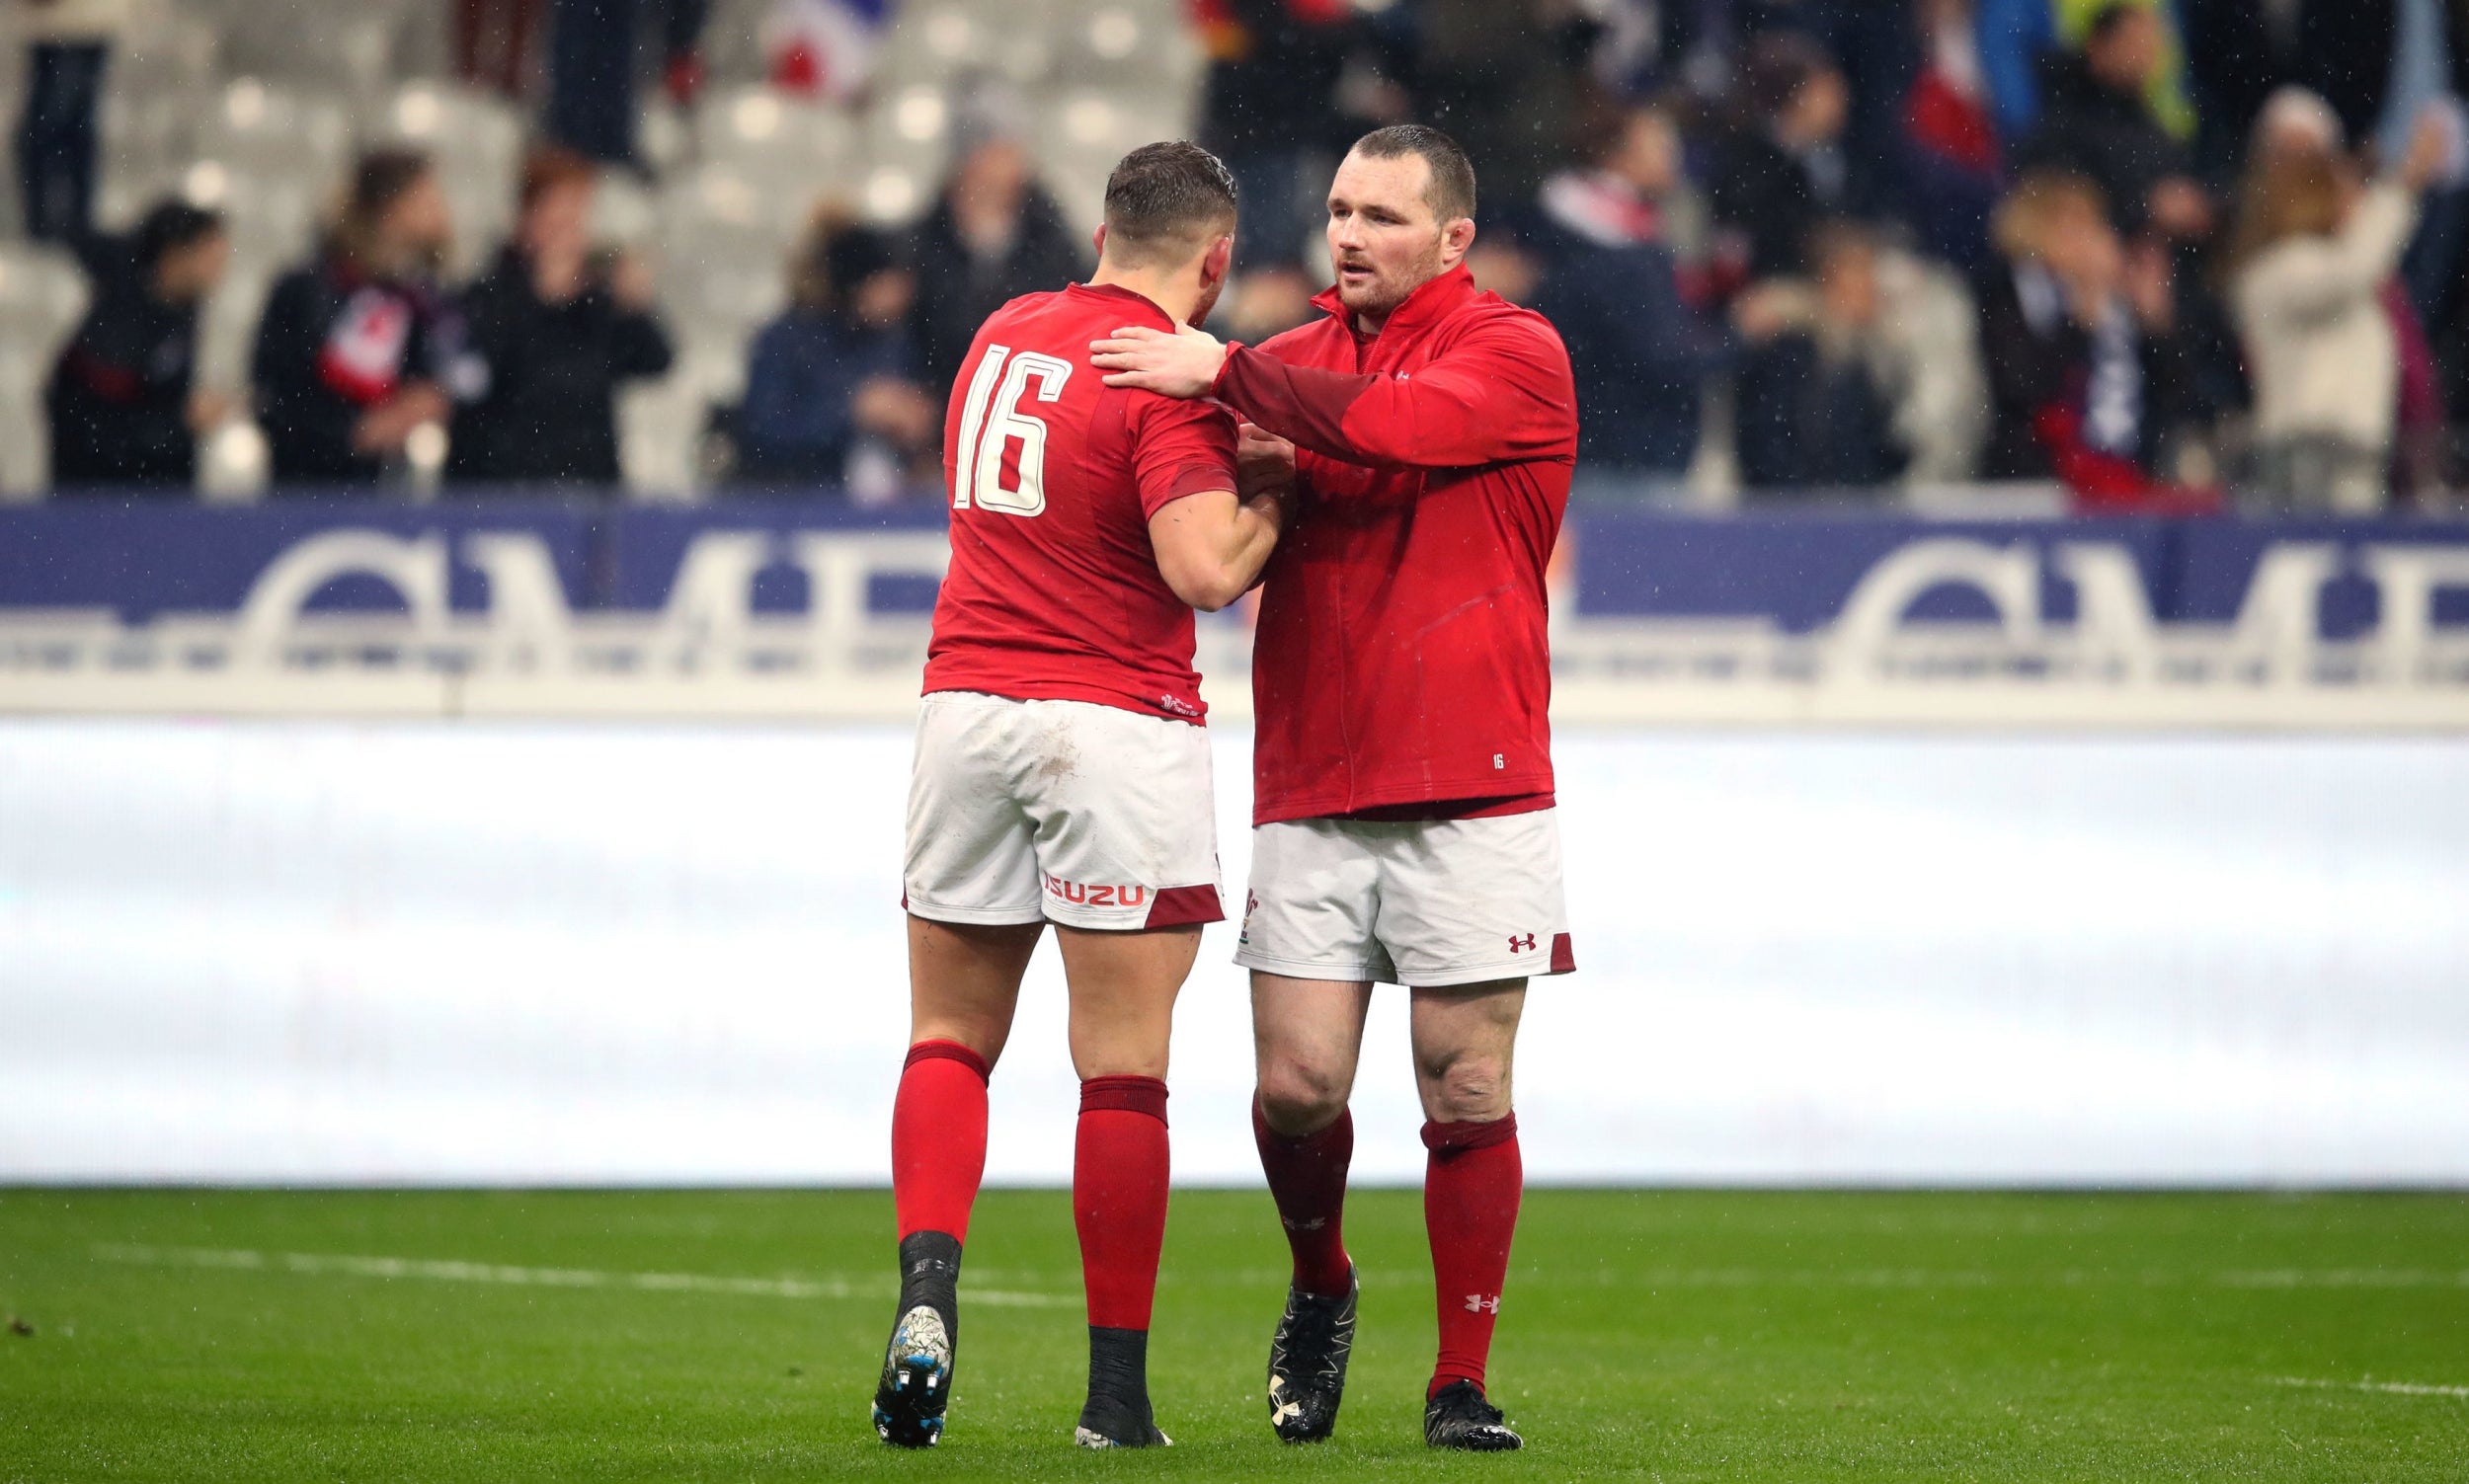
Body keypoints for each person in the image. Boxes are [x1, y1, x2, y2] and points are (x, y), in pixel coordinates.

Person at [1093, 123, 1577, 1452]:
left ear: (1453, 240)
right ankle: (1323, 1279)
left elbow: (1413, 429)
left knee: (1464, 1080)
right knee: (1300, 1085)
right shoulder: (1276, 364)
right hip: (1311, 776)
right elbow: (1177, 491)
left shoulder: (1516, 354)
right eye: (1340, 208)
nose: (1351, 234)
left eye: (1382, 216)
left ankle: (1459, 1378)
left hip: (1480, 782)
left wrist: (1234, 374)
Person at [875, 141, 1288, 1453]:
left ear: (1107, 227)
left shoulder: (1005, 330)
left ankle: (927, 1297)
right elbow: (1203, 568)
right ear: (1215, 260)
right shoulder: (1163, 378)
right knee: (1121, 1068)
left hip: (965, 706)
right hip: (1113, 716)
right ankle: (1115, 1396)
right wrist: (1279, 476)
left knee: (949, 1034)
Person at [2228, 111, 2452, 511]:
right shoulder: (2277, 270)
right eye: (2346, 190)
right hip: (2305, 463)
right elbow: (2353, 269)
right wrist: (2405, 183)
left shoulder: (2335, 274)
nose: (2358, 202)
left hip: (2352, 460)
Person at [1975, 168, 2208, 506]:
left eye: (2089, 224)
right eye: (2068, 226)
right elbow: (2020, 386)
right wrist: (2081, 321)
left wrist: (2156, 326)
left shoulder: (2120, 309)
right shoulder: (2008, 294)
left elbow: (2177, 400)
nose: (2084, 240)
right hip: (2037, 483)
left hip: (2125, 478)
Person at [446, 145, 674, 489]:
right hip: (504, 490)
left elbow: (655, 362)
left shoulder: (600, 300)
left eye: (579, 212)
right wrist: (541, 297)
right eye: (559, 212)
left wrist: (634, 308)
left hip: (588, 488)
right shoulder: (487, 295)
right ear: (526, 218)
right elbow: (476, 377)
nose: (570, 226)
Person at [252, 150, 468, 490]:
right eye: (426, 198)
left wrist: (422, 402)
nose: (440, 210)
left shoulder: (424, 297)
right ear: (390, 208)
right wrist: (352, 431)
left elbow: (444, 374)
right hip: (304, 480)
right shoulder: (308, 289)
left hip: (391, 481)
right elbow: (277, 388)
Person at [902, 92, 1088, 398]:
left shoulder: (1049, 236)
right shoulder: (924, 241)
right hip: (940, 407)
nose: (1016, 161)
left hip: (1028, 400)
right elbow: (911, 340)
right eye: (1001, 150)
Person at [735, 209, 934, 496]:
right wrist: (852, 411)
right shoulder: (786, 340)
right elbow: (764, 430)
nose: (899, 300)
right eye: (887, 287)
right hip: (795, 499)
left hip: (878, 505)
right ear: (859, 285)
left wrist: (915, 424)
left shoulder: (896, 340)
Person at [44, 200, 229, 492]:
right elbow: (94, 430)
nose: (220, 269)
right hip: (98, 499)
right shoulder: (117, 324)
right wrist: (179, 424)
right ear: (175, 256)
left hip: (157, 493)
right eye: (210, 255)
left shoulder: (182, 309)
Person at [1734, 220, 1915, 493]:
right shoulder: (1790, 350)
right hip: (1794, 509)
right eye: (1857, 281)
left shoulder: (1872, 354)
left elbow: (1887, 444)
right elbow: (1768, 439)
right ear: (1829, 285)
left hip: (1859, 506)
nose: (1869, 292)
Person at [2015, 1, 2211, 242]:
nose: (2144, 56)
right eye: (2132, 43)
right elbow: (2062, 208)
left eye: (2150, 44)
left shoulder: (2144, 119)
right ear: (2098, 46)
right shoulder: (2062, 122)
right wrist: (2146, 210)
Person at [1711, 33, 1857, 279]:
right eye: (1828, 93)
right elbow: (1743, 238)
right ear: (1798, 96)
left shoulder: (1841, 156)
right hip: (1772, 283)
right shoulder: (1750, 159)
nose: (1842, 102)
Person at [11, 0, 125, 242]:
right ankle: (64, 224)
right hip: (69, 21)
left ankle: (58, 224)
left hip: (72, 21)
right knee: (65, 128)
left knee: (59, 128)